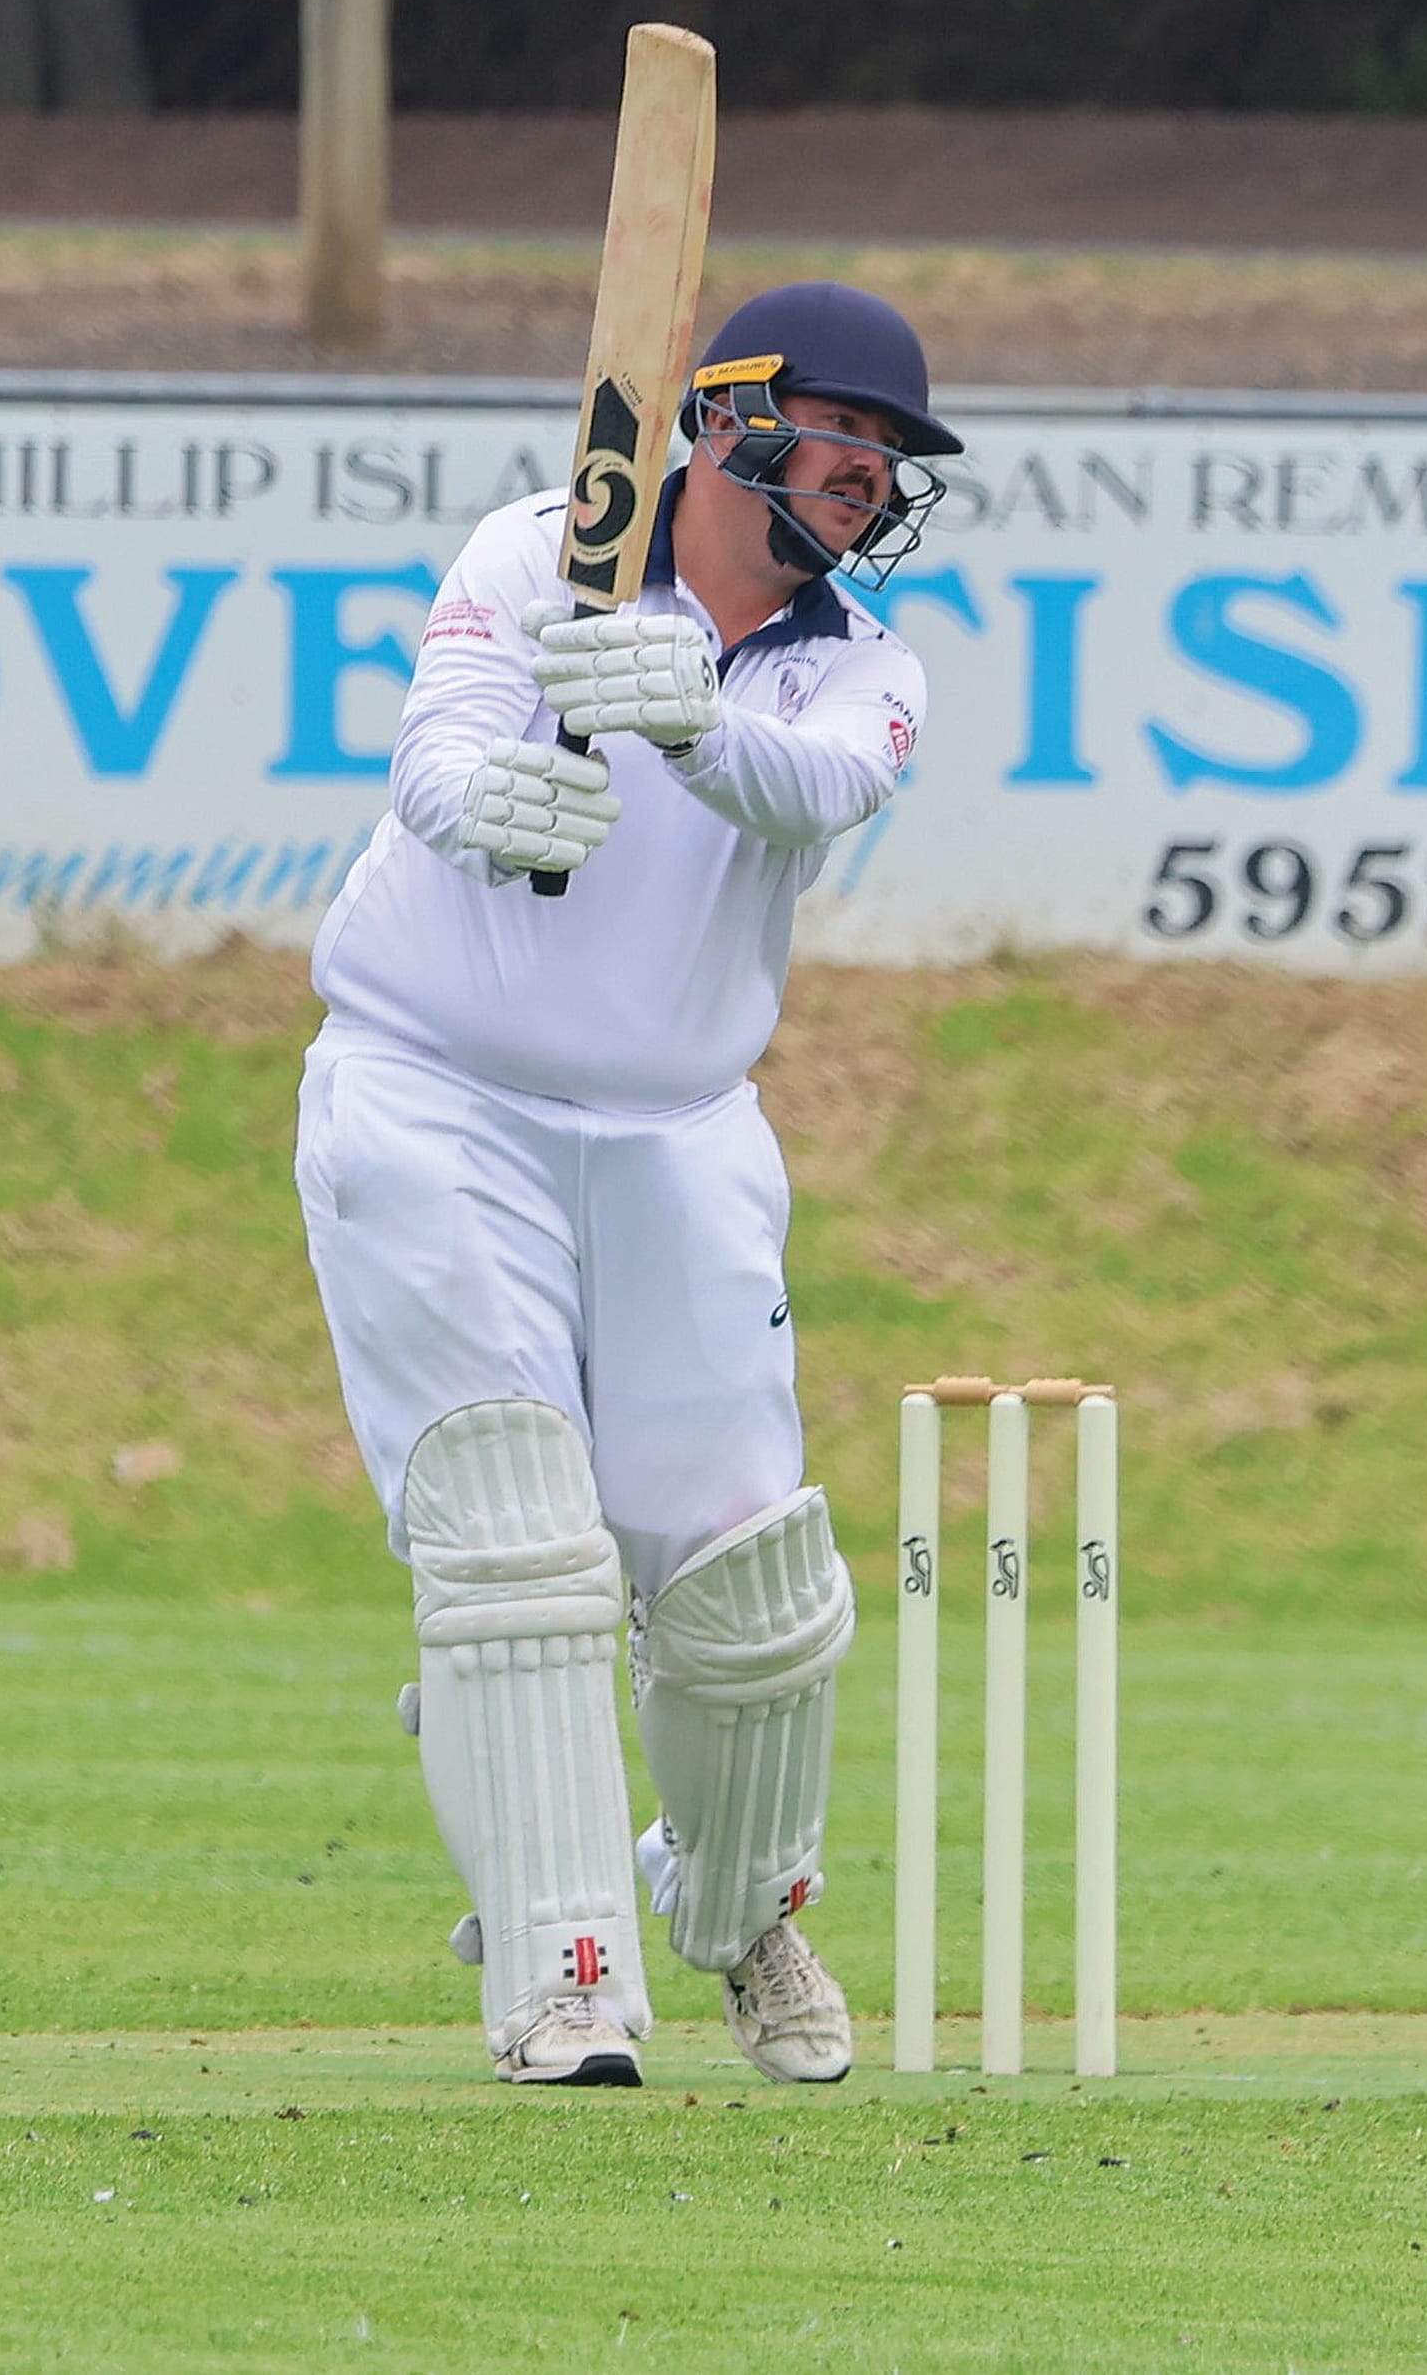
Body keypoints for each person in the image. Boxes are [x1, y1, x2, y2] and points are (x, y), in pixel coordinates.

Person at [294, 280, 962, 2085]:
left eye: (894, 455)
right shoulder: (535, 552)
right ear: (736, 417)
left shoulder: (862, 662)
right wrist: (487, 803)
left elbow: (818, 787)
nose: (874, 475)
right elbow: (432, 749)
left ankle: (736, 1910)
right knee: (514, 1542)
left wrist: (687, 719)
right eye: (850, 435)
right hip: (436, 1097)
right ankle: (563, 1972)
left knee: (750, 1589)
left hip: (678, 1130)